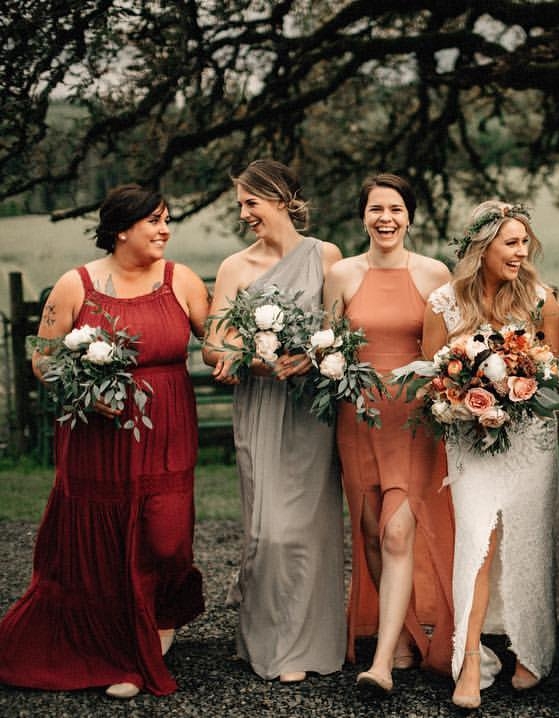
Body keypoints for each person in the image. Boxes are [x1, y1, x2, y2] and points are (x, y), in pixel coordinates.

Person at [0, 185, 209, 698]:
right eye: (154, 221)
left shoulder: (180, 279)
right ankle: (119, 648)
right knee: (101, 546)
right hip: (97, 437)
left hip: (167, 427)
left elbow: (216, 339)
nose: (165, 229)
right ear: (121, 229)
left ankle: (161, 617)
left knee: (167, 536)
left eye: (167, 219)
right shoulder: (77, 285)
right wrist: (84, 392)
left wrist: (245, 355)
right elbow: (43, 359)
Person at [203, 159, 346, 683]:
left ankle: (307, 646)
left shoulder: (326, 256)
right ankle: (263, 641)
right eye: (240, 205)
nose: (244, 214)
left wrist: (313, 355)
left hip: (311, 408)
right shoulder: (234, 267)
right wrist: (252, 358)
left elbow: (339, 331)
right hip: (260, 403)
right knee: (267, 532)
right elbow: (212, 343)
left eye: (251, 203)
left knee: (308, 529)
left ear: (282, 199)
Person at [422, 201, 559, 710]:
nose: (522, 252)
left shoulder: (539, 300)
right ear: (483, 247)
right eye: (511, 242)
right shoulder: (443, 302)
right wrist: (462, 401)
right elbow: (431, 384)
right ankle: (468, 662)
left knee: (529, 539)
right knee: (477, 546)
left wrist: (522, 385)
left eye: (525, 242)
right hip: (470, 443)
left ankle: (530, 650)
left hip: (530, 439)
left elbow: (557, 371)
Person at [322, 174, 455, 690]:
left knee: (399, 531)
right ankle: (397, 638)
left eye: (396, 210)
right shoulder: (340, 274)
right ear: (363, 216)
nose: (386, 219)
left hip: (412, 418)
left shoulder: (433, 274)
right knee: (374, 534)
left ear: (410, 217)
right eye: (377, 209)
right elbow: (326, 344)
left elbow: (441, 354)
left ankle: (379, 665)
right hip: (356, 417)